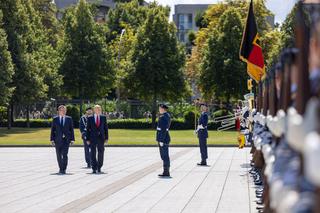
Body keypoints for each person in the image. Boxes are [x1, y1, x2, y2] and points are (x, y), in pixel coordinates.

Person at [50, 105, 75, 174]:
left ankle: (64, 168)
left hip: (66, 140)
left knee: (65, 154)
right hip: (57, 140)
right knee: (58, 155)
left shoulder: (69, 119)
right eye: (61, 110)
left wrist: (72, 139)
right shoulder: (55, 119)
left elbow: (71, 129)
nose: (63, 111)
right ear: (58, 111)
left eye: (64, 110)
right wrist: (52, 139)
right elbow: (52, 130)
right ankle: (60, 167)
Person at [86, 105, 109, 174]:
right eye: (97, 109)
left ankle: (99, 167)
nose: (98, 110)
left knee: (101, 152)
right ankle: (94, 167)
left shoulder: (103, 118)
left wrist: (106, 138)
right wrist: (87, 139)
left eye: (99, 109)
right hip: (92, 138)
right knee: (93, 153)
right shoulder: (90, 118)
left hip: (101, 138)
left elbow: (106, 128)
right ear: (94, 110)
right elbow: (87, 129)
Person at [156, 104, 171, 177]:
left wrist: (161, 140)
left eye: (160, 108)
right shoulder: (166, 116)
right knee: (164, 155)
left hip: (163, 139)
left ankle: (166, 171)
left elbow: (163, 130)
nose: (159, 110)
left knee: (164, 155)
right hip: (164, 138)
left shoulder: (163, 117)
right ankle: (166, 171)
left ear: (163, 109)